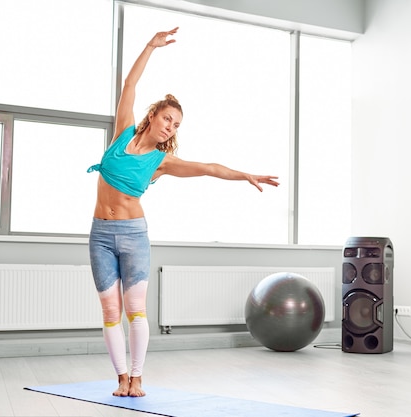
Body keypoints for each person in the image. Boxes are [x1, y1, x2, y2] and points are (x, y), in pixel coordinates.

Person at [87, 27, 279, 397]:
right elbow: (130, 83)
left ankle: (138, 378)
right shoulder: (122, 134)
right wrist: (150, 46)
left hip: (132, 235)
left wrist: (245, 176)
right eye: (167, 119)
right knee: (110, 311)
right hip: (99, 233)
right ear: (153, 115)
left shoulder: (163, 162)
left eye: (176, 125)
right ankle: (121, 378)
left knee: (135, 310)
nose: (170, 127)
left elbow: (209, 167)